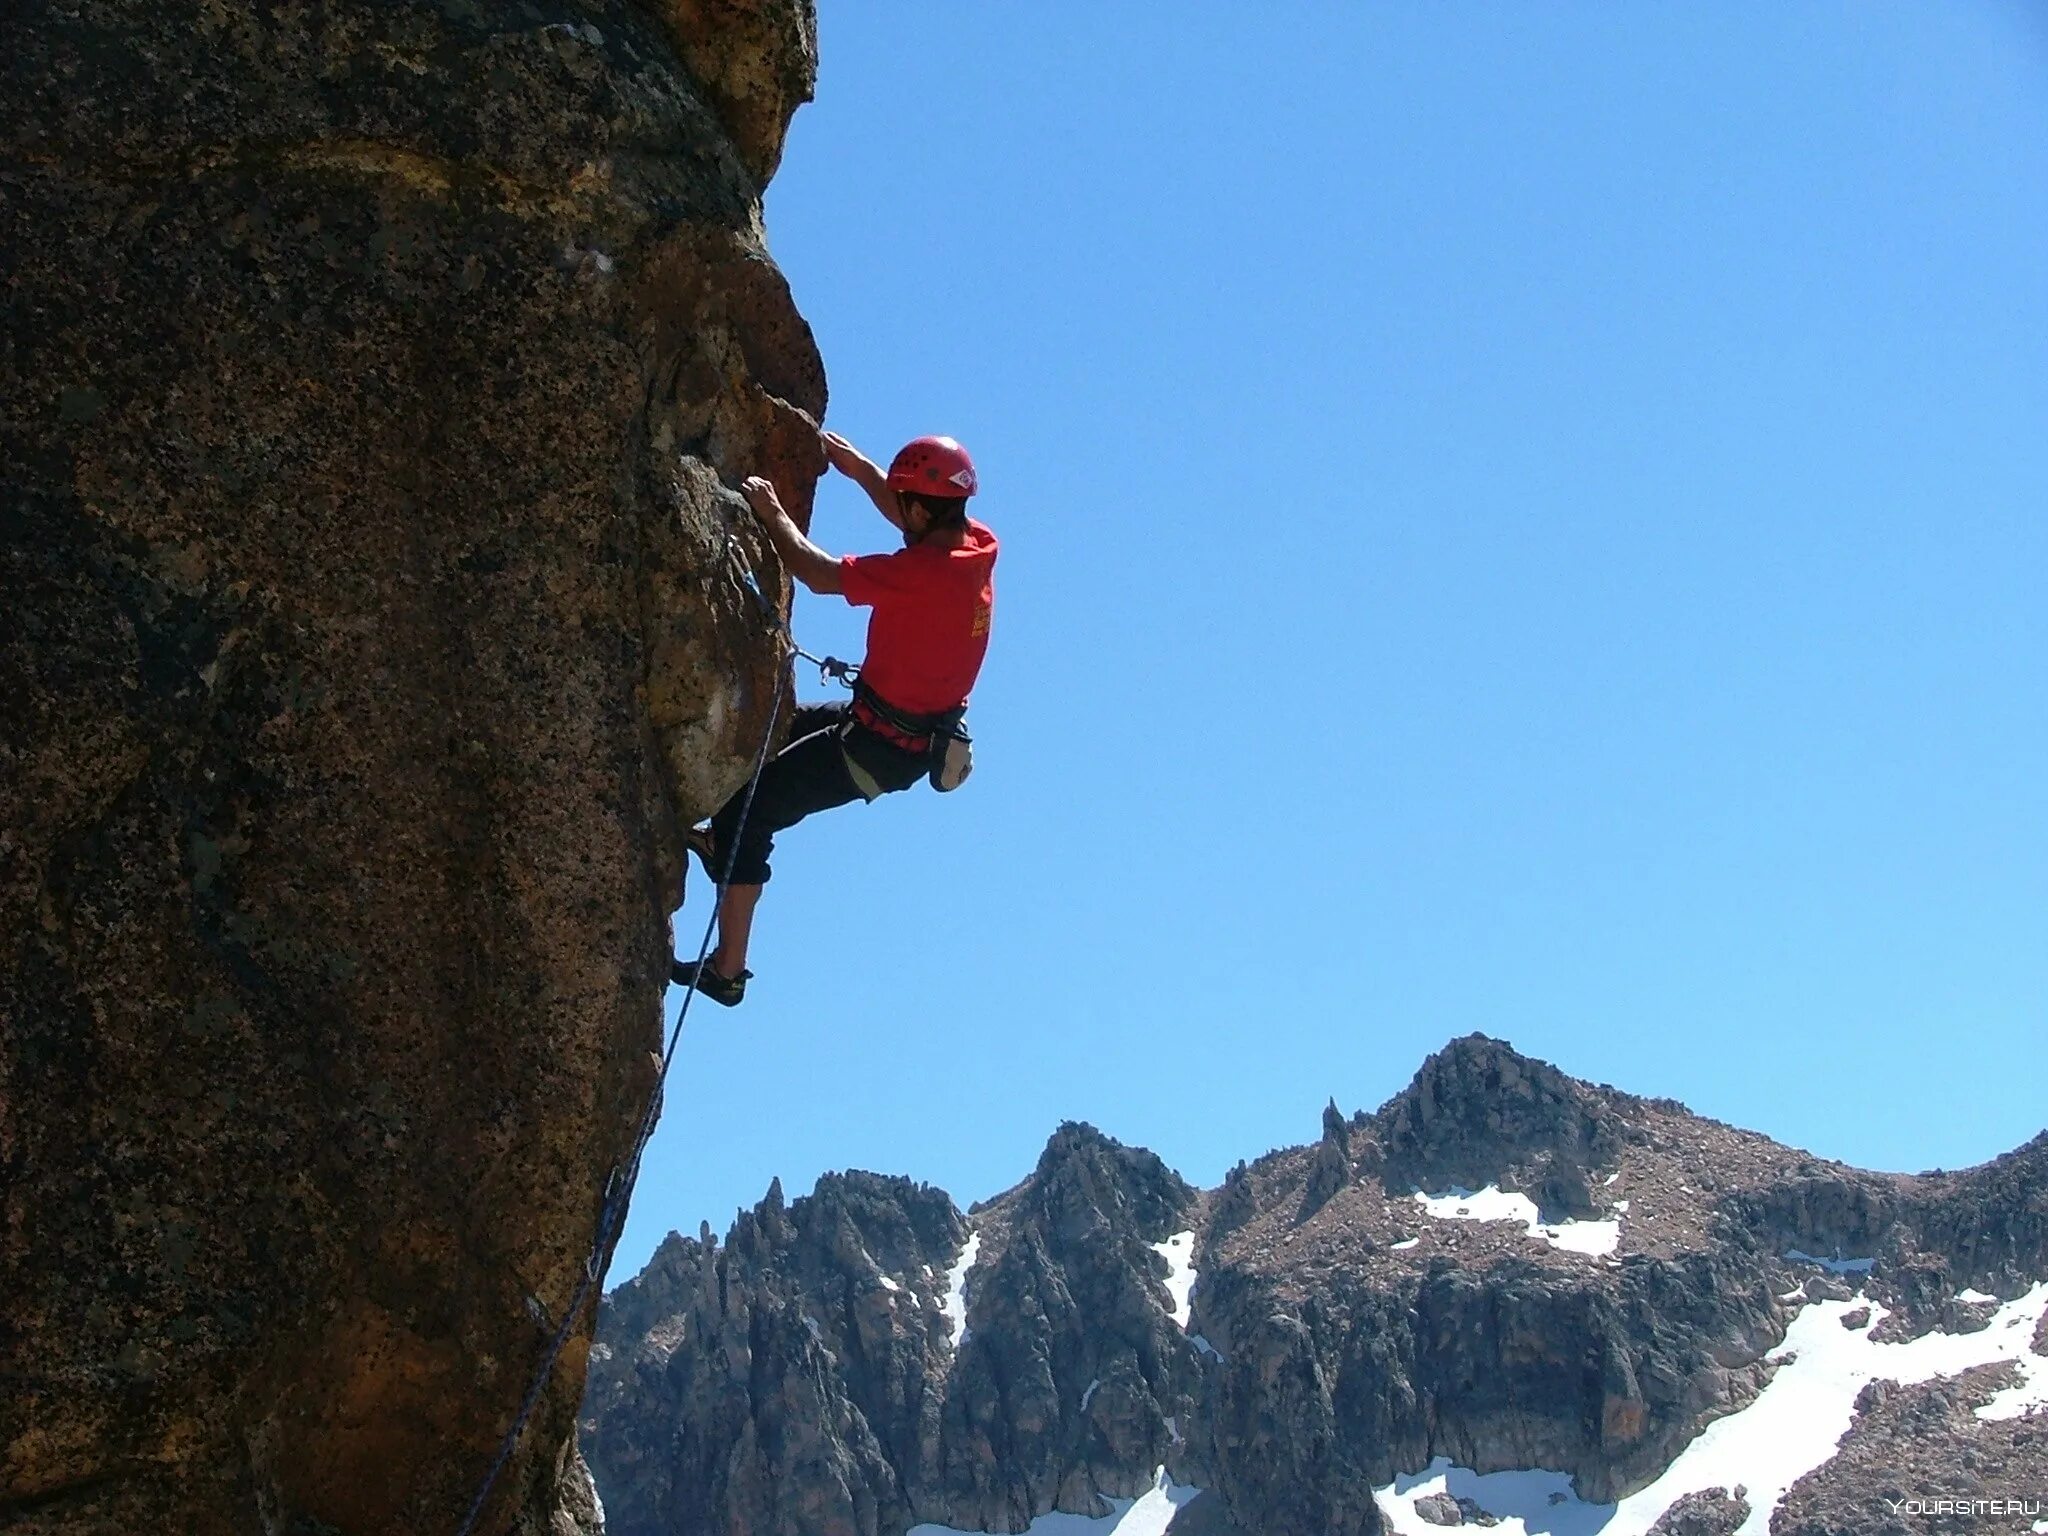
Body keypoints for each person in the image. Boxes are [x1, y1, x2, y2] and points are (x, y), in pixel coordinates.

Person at [672, 429, 997, 1006]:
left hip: (876, 748)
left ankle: (727, 970)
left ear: (921, 510)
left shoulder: (921, 573)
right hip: (884, 727)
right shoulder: (973, 547)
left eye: (904, 504)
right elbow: (911, 514)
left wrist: (770, 513)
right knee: (770, 730)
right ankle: (725, 850)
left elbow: (817, 573)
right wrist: (860, 468)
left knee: (747, 816)